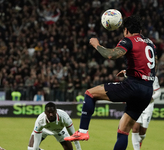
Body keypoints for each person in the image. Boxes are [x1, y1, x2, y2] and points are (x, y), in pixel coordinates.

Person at [64, 15, 157, 150]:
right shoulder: (150, 43)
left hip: (133, 86)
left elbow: (111, 55)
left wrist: (96, 44)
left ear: (126, 30)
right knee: (123, 130)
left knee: (90, 93)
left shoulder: (128, 40)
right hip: (147, 91)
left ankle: (82, 132)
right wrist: (127, 72)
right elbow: (148, 65)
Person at [132, 76, 161, 150]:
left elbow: (158, 92)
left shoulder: (153, 78)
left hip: (148, 107)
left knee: (142, 133)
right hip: (136, 105)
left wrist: (151, 98)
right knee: (135, 129)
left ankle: (140, 141)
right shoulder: (137, 75)